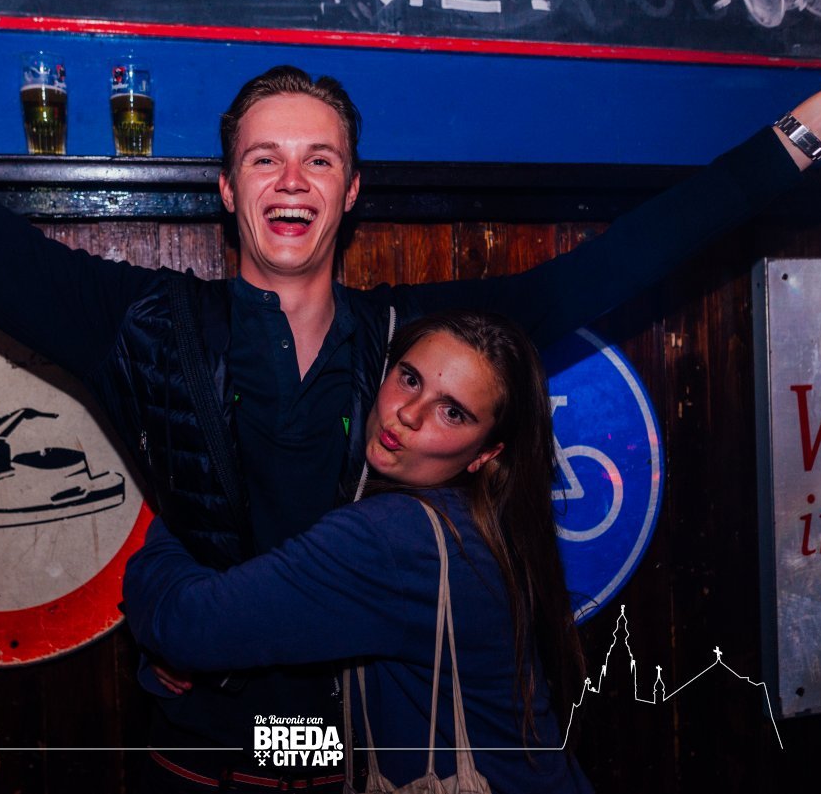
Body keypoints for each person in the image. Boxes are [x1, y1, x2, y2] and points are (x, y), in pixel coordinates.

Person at [0, 0, 821, 788]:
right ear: (226, 192)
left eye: (318, 158)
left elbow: (630, 256)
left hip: (354, 748)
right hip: (194, 748)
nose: (291, 178)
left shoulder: (416, 343)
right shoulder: (141, 325)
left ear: (350, 192)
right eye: (264, 158)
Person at [123, 309, 589, 792]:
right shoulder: (476, 520)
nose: (409, 414)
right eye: (410, 379)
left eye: (452, 412)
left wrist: (174, 524)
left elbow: (183, 625)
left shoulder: (399, 537)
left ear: (486, 454)